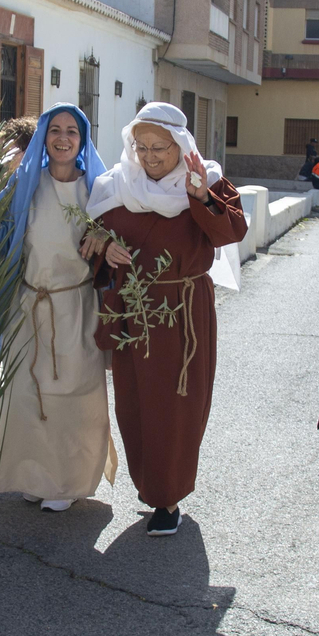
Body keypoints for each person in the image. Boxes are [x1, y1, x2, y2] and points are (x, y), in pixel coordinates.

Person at [87, 103, 247, 536]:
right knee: (134, 404)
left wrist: (200, 196)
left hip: (184, 311)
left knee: (176, 406)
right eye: (142, 147)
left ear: (180, 145)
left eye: (160, 147)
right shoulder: (116, 183)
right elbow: (90, 233)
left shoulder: (207, 181)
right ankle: (151, 485)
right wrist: (104, 246)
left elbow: (231, 232)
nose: (150, 156)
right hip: (133, 309)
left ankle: (168, 496)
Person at [0, 106, 115, 513]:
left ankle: (67, 482)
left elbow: (121, 231)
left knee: (72, 394)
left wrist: (104, 233)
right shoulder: (26, 184)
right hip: (29, 305)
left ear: (83, 139)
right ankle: (34, 475)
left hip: (76, 306)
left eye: (72, 131)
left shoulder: (98, 190)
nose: (63, 138)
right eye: (55, 129)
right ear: (43, 136)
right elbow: (3, 234)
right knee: (28, 392)